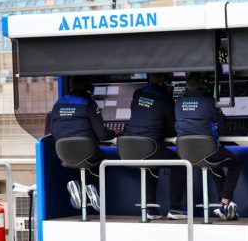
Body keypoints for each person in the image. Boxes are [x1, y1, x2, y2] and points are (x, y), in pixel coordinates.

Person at [175, 72, 241, 221]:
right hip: (208, 151)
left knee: (214, 165)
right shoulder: (209, 101)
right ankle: (225, 202)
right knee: (234, 162)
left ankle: (226, 204)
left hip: (185, 154)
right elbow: (223, 126)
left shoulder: (178, 102)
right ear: (203, 85)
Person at [50, 75, 117, 212]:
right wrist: (114, 133)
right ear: (89, 87)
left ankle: (77, 186)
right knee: (102, 163)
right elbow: (102, 134)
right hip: (87, 151)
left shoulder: (58, 103)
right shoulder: (89, 103)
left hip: (63, 154)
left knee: (82, 163)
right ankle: (91, 188)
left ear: (70, 85)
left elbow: (52, 131)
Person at [124, 73, 186, 220]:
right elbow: (172, 129)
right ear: (165, 81)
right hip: (148, 146)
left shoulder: (138, 93)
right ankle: (176, 209)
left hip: (128, 146)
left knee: (151, 163)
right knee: (180, 164)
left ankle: (150, 209)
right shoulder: (165, 98)